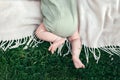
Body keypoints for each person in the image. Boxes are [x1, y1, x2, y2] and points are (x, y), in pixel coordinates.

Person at [35, 0, 85, 68]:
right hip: (71, 24)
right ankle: (76, 56)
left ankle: (57, 39)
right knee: (76, 38)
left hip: (55, 23)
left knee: (39, 32)